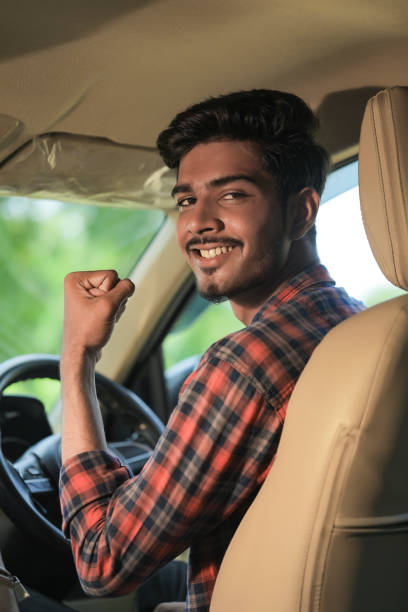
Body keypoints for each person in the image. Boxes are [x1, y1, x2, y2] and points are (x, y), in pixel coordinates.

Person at [58, 89, 364, 612]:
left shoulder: (244, 366)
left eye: (232, 195)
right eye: (185, 200)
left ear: (300, 212)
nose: (197, 222)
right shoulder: (352, 320)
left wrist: (77, 357)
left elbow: (102, 562)